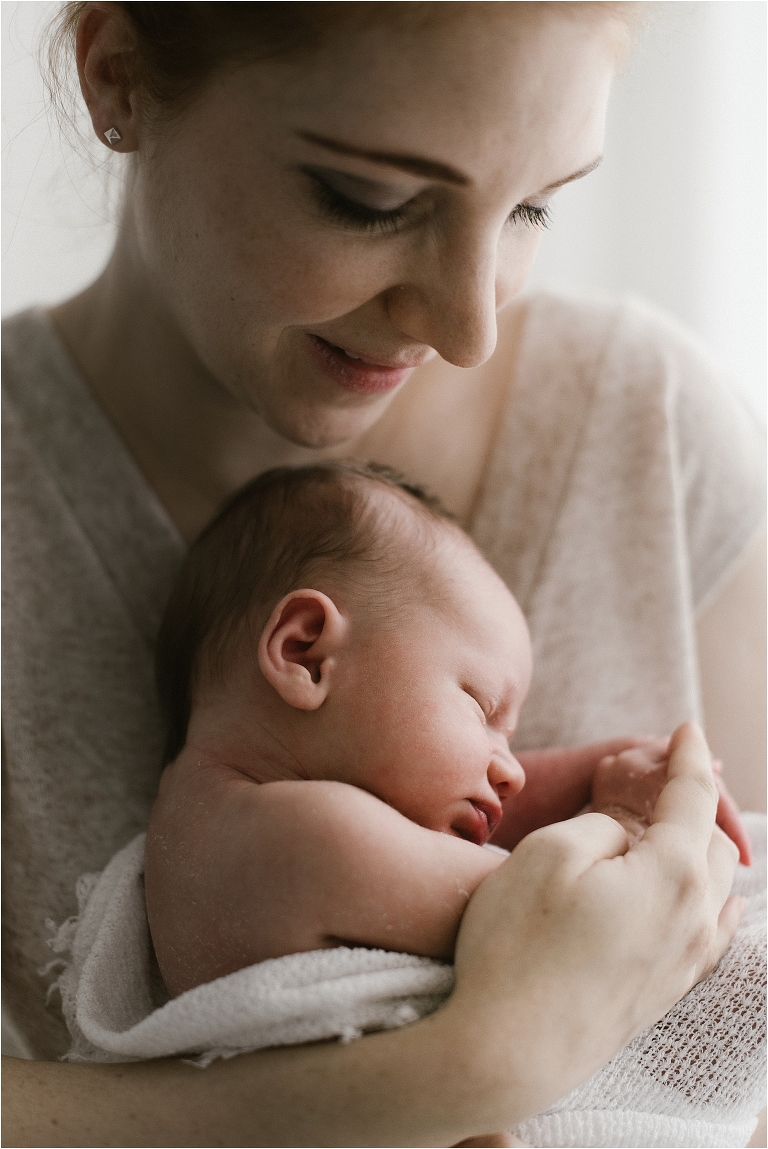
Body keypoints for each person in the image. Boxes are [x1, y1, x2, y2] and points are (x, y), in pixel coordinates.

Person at [2, 3, 763, 1146]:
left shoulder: (655, 428)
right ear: (118, 79)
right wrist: (464, 1071)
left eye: (534, 205)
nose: (468, 327)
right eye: (369, 201)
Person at [145, 460, 750, 993]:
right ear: (307, 654)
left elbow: (430, 822)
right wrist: (622, 820)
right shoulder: (306, 839)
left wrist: (598, 766)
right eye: (482, 709)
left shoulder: (202, 816)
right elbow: (559, 918)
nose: (511, 770)